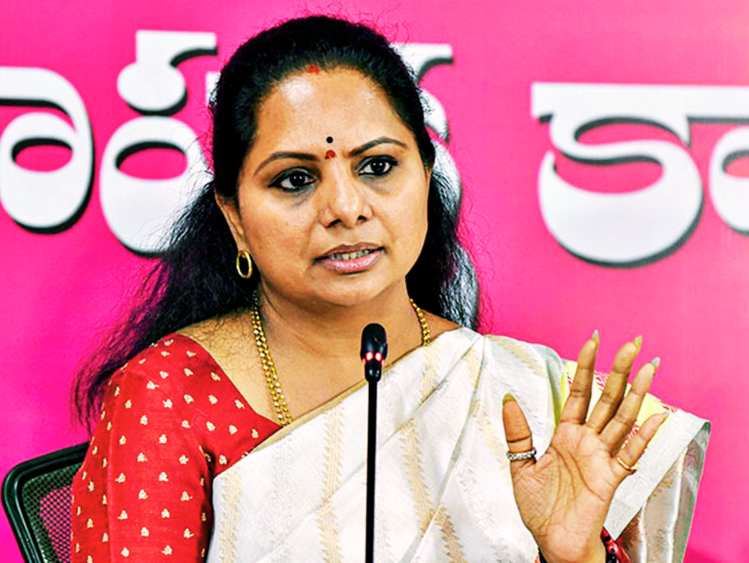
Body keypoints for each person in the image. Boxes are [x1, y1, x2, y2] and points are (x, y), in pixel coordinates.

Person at [69, 14, 709, 563]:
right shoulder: (169, 396)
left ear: (427, 179)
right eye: (294, 180)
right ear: (234, 216)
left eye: (377, 166)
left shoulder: (506, 394)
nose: (346, 208)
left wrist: (574, 554)